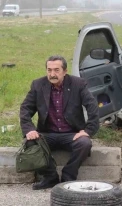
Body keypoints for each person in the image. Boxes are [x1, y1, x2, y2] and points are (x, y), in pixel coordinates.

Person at [20, 55, 99, 190]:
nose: (52, 74)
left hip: (72, 134)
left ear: (65, 71)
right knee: (30, 142)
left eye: (56, 70)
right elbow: (25, 108)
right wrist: (29, 129)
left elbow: (92, 106)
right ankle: (50, 177)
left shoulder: (78, 84)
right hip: (47, 133)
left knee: (84, 143)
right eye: (49, 70)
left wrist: (87, 131)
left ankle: (68, 177)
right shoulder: (38, 85)